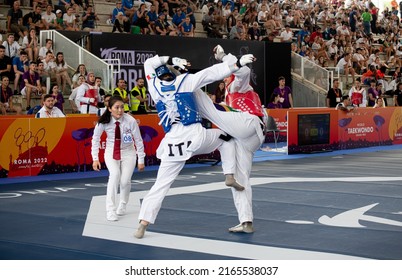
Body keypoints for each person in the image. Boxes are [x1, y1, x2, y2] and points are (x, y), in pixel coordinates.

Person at [134, 52, 255, 238]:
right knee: (227, 138)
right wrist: (237, 63)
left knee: (160, 185)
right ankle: (229, 174)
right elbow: (212, 73)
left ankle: (143, 223)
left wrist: (169, 59)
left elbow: (149, 63)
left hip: (171, 142)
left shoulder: (154, 87)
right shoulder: (185, 81)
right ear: (173, 74)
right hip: (195, 136)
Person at [91, 96, 145, 222]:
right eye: (117, 107)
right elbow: (95, 139)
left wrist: (141, 159)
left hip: (128, 152)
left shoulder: (130, 120)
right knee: (114, 175)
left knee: (125, 181)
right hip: (111, 152)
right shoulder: (103, 121)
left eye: (122, 107)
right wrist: (95, 158)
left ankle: (123, 204)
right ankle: (110, 210)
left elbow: (138, 140)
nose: (120, 110)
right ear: (110, 109)